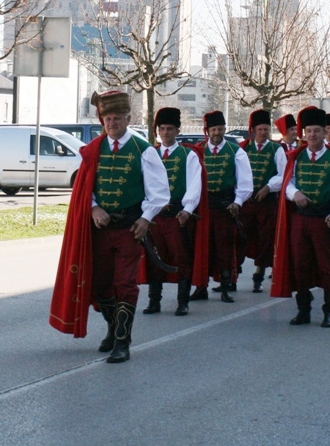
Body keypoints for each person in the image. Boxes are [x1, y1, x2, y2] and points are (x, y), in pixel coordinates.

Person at [49, 91, 170, 363]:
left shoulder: (144, 150)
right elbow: (84, 187)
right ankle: (113, 327)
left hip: (130, 228)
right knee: (100, 283)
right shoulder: (94, 149)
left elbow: (159, 192)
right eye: (107, 119)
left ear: (128, 118)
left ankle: (122, 341)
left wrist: (145, 218)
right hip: (100, 230)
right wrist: (93, 207)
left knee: (124, 283)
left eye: (117, 118)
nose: (112, 123)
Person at [271, 106, 330, 328]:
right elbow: (287, 183)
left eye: (317, 131)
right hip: (300, 219)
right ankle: (303, 309)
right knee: (300, 264)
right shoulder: (296, 157)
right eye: (309, 131)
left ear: (324, 133)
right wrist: (295, 193)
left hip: (323, 219)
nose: (312, 135)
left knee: (327, 265)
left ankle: (329, 310)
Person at [142, 106, 207, 317]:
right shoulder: (149, 154)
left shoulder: (188, 155)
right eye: (162, 129)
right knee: (155, 258)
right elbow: (143, 183)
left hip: (177, 216)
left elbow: (194, 185)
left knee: (181, 258)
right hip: (155, 217)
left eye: (170, 129)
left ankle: (182, 302)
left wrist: (187, 210)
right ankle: (154, 301)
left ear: (178, 131)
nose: (165, 133)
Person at [190, 110, 253, 303]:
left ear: (225, 129)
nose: (217, 132)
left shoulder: (236, 151)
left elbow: (245, 182)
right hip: (203, 208)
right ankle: (201, 287)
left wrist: (237, 202)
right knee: (202, 248)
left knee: (224, 249)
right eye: (214, 129)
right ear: (207, 131)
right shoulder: (198, 151)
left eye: (220, 129)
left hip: (226, 207)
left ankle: (226, 287)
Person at [240, 110, 283, 293]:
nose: (263, 132)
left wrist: (268, 187)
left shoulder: (276, 149)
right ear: (253, 130)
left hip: (267, 202)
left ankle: (258, 275)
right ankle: (231, 276)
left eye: (266, 129)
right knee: (241, 236)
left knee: (265, 238)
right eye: (260, 129)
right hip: (247, 201)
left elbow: (283, 174)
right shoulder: (244, 149)